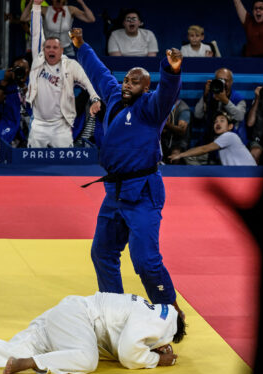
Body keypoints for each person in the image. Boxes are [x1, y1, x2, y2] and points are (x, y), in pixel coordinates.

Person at [70, 27, 186, 315]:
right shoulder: (113, 98)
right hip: (114, 193)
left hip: (143, 193)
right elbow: (99, 73)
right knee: (102, 253)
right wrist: (81, 45)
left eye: (135, 82)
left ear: (146, 88)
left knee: (145, 261)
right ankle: (115, 310)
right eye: (126, 80)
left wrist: (171, 71)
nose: (127, 84)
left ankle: (170, 312)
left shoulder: (151, 108)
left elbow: (168, 93)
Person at [0, 292, 186, 374]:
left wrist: (152, 351)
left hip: (67, 320)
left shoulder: (146, 312)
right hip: (78, 317)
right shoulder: (167, 318)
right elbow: (130, 354)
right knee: (87, 361)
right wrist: (155, 360)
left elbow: (130, 345)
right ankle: (32, 364)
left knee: (14, 348)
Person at [25, 0, 100, 148]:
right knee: (33, 165)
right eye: (48, 47)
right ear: (43, 49)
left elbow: (87, 82)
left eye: (55, 47)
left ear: (61, 50)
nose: (51, 50)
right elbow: (35, 34)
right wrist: (36, 6)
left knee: (65, 166)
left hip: (62, 126)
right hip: (39, 124)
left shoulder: (71, 65)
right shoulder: (38, 61)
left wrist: (95, 98)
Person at [170, 112, 257, 166]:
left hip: (247, 175)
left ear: (230, 126)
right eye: (215, 122)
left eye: (222, 121)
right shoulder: (221, 138)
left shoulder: (230, 136)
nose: (218, 123)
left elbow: (204, 149)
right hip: (236, 175)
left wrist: (180, 155)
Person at [194, 68, 248, 150]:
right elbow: (197, 115)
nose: (222, 83)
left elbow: (239, 117)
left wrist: (225, 100)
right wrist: (205, 95)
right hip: (210, 140)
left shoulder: (238, 99)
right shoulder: (210, 95)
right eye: (219, 80)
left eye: (225, 80)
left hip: (232, 142)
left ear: (231, 82)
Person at [19, 0, 95, 58]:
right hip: (50, 49)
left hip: (67, 49)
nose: (58, 1)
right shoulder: (45, 10)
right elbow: (23, 18)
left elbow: (90, 19)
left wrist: (82, 3)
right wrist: (32, 1)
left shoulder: (71, 9)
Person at [0, 56, 32, 149]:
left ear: (28, 70)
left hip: (31, 123)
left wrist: (22, 84)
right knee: (2, 148)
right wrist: (4, 81)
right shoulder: (7, 85)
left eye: (23, 68)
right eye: (17, 68)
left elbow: (35, 100)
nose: (20, 71)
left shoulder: (34, 83)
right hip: (11, 123)